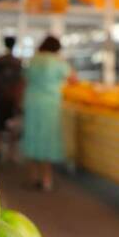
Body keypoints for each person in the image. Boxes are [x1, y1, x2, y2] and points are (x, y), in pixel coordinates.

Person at [22, 35, 75, 191]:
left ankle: (33, 177)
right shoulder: (58, 61)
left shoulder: (33, 59)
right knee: (48, 139)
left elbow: (25, 80)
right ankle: (46, 179)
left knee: (32, 137)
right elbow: (72, 78)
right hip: (50, 104)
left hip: (32, 102)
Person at [0, 36, 23, 164]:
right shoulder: (17, 62)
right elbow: (20, 82)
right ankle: (11, 154)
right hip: (13, 99)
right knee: (12, 126)